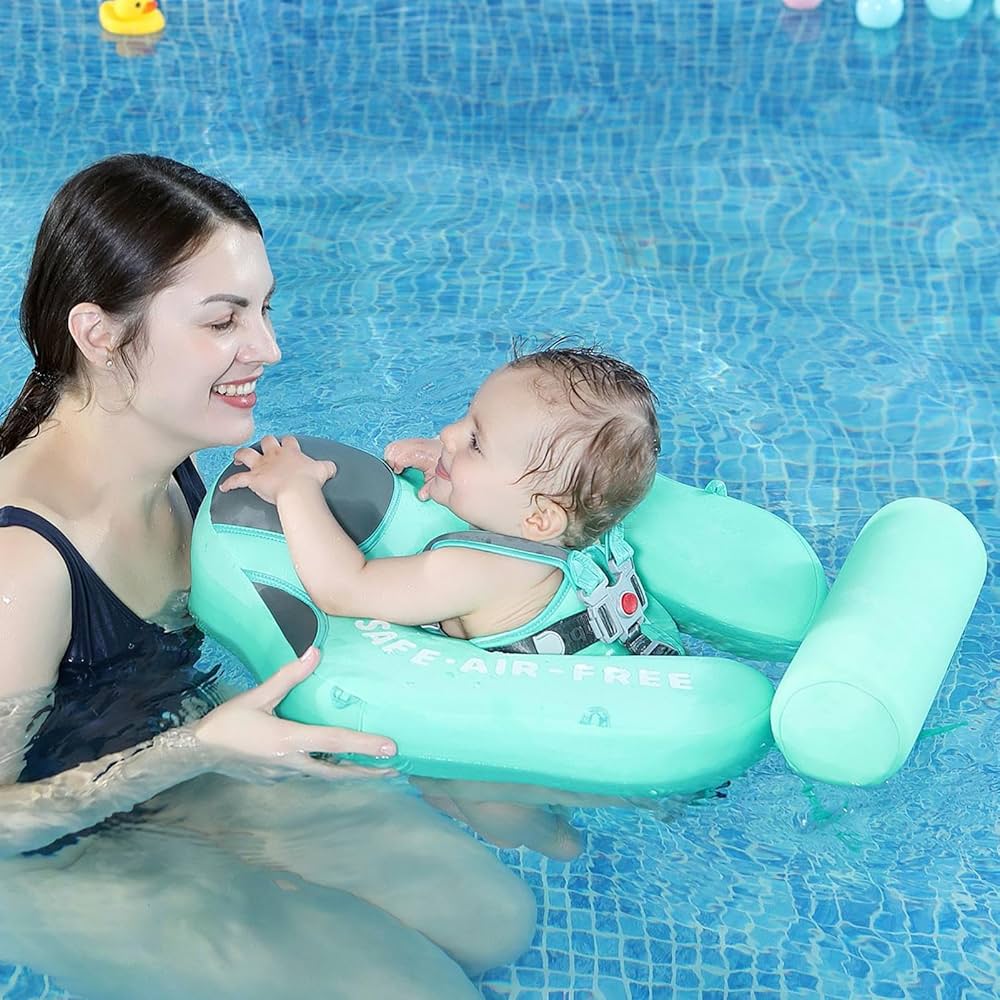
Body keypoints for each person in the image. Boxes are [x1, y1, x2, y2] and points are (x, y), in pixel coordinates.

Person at [0, 153, 536, 1000]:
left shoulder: (176, 469)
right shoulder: (21, 565)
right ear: (100, 334)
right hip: (43, 856)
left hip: (167, 760)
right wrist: (196, 748)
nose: (271, 349)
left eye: (265, 309)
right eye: (223, 321)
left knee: (492, 919)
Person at [218, 347, 674, 858]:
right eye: (466, 418)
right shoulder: (582, 533)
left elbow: (346, 587)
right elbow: (503, 495)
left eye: (475, 442)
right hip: (614, 693)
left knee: (466, 793)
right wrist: (448, 465)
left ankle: (554, 840)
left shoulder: (479, 569)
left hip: (539, 740)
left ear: (540, 518)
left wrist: (296, 488)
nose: (449, 434)